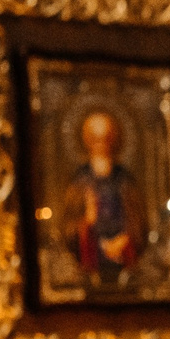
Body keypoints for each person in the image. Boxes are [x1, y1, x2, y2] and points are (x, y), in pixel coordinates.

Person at [64, 109, 142, 285]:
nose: (101, 144)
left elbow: (138, 222)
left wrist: (124, 240)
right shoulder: (79, 181)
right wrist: (86, 222)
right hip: (92, 256)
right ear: (87, 141)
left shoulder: (125, 179)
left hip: (123, 254)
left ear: (114, 140)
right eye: (96, 138)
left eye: (106, 138)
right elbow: (69, 228)